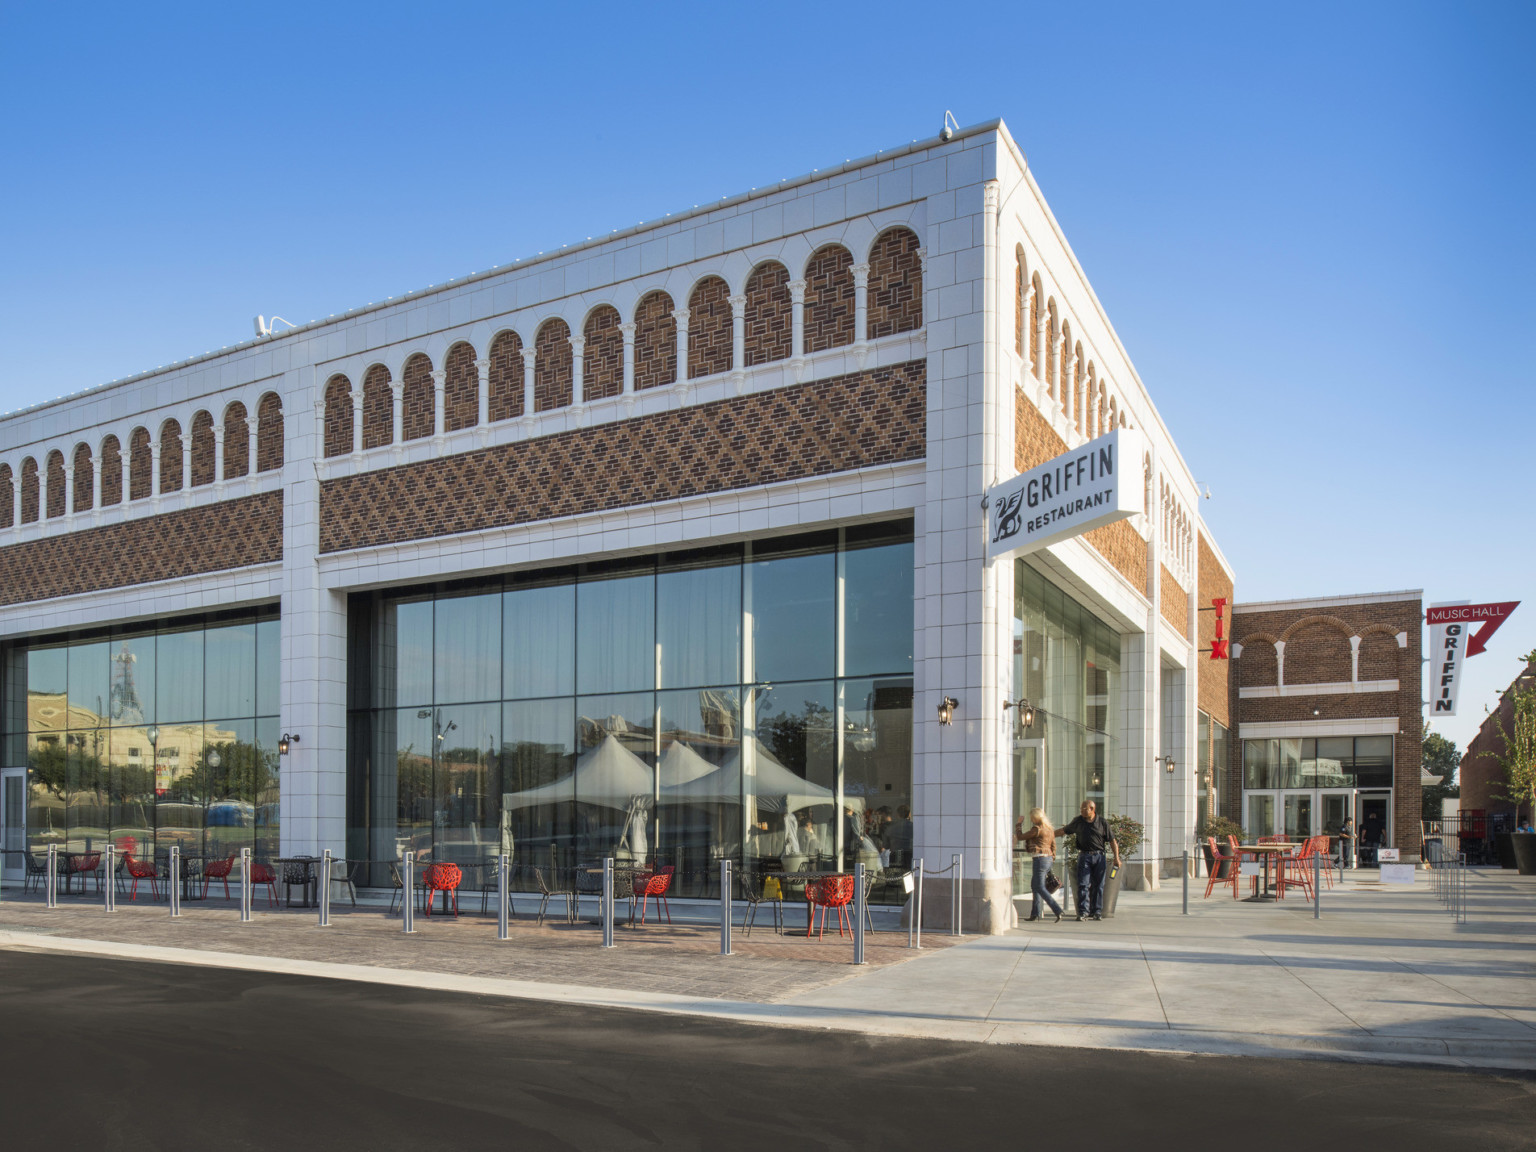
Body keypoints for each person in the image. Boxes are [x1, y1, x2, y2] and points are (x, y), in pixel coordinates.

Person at [1058, 800, 1121, 920]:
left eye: (1084, 809)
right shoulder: (1078, 821)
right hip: (1084, 856)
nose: (1082, 811)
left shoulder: (1102, 822)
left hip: (1099, 857)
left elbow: (1112, 840)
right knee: (1083, 884)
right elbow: (1064, 831)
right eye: (1081, 809)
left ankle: (1097, 911)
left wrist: (1116, 857)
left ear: (1092, 809)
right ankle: (1083, 912)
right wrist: (1048, 834)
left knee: (1099, 885)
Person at [1015, 807, 1061, 922]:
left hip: (1040, 859)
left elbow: (1020, 837)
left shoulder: (1037, 829)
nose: (1031, 820)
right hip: (1048, 859)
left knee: (1039, 886)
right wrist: (1051, 859)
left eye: (1032, 818)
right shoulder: (1049, 829)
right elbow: (1054, 846)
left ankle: (1057, 909)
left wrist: (1019, 824)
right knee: (1035, 886)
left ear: (1035, 818)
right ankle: (1035, 913)